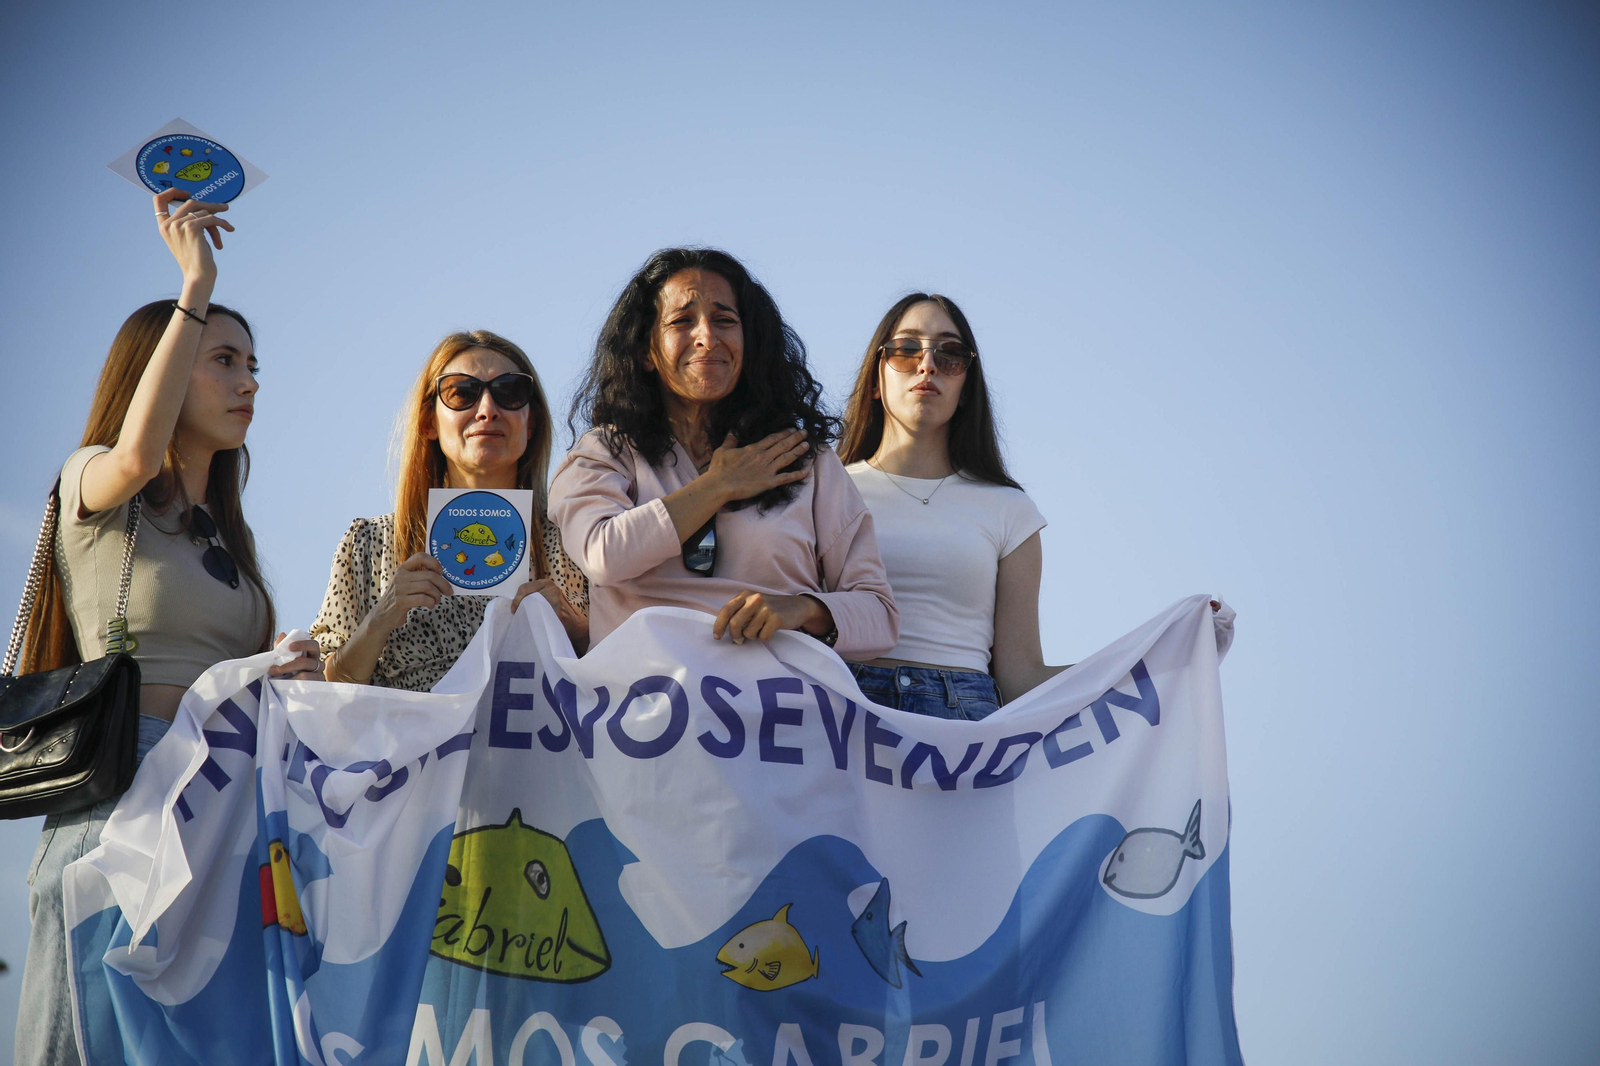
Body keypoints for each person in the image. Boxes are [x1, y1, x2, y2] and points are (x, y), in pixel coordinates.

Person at [15, 190, 320, 1066]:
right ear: (164, 365)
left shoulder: (227, 536)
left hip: (222, 801)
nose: (248, 381)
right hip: (122, 786)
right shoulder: (95, 482)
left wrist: (281, 670)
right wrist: (195, 284)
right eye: (223, 360)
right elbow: (139, 457)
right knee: (81, 1041)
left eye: (252, 364)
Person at [838, 293, 1233, 720]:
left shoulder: (1008, 510)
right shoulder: (826, 491)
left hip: (963, 732)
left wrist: (1167, 656)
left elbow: (1021, 679)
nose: (927, 365)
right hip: (843, 719)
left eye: (950, 355)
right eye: (906, 349)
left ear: (966, 387)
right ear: (875, 378)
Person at [549, 248, 898, 656]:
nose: (708, 337)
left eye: (725, 320)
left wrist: (804, 609)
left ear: (750, 344)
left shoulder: (805, 458)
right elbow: (603, 555)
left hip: (781, 695)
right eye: (682, 321)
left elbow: (880, 617)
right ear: (646, 352)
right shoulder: (604, 452)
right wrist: (719, 485)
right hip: (639, 694)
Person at [312, 330, 588, 690]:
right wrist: (381, 618)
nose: (487, 410)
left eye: (509, 392)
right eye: (461, 393)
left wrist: (577, 631)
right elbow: (319, 690)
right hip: (409, 730)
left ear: (531, 422)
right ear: (429, 422)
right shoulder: (370, 543)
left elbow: (631, 672)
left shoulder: (576, 538)